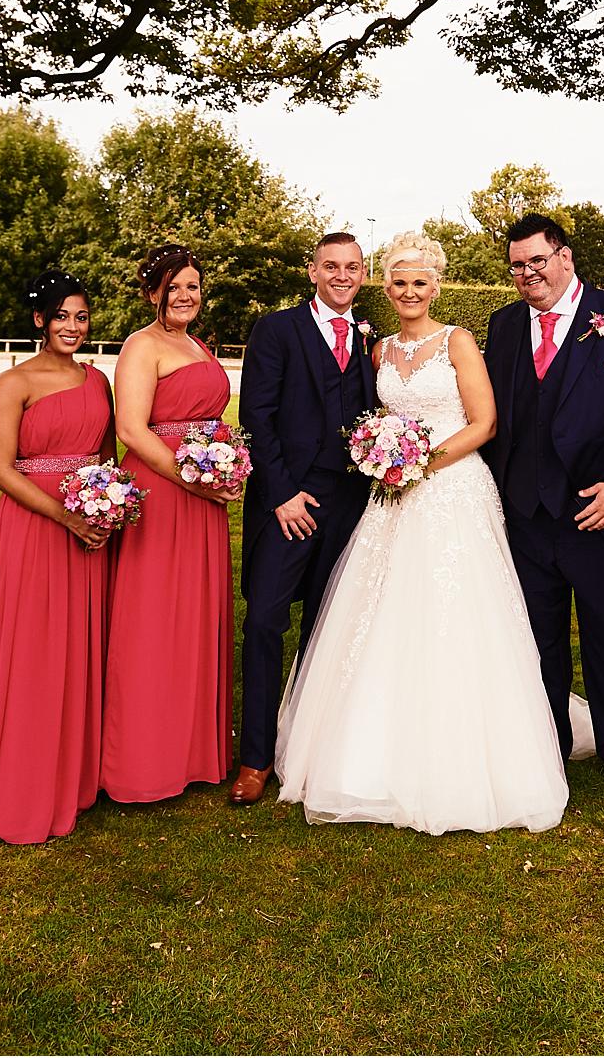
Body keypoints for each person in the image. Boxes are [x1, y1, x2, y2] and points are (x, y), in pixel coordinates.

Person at [275, 232, 593, 835]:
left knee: (459, 613)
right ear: (386, 287)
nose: (409, 292)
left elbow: (484, 422)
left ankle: (467, 755)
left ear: (436, 286)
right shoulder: (379, 351)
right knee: (385, 610)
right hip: (393, 495)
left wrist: (419, 463)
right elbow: (378, 421)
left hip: (451, 491)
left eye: (420, 282)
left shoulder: (458, 343)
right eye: (398, 282)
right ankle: (370, 749)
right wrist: (387, 460)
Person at [483, 213, 604, 804]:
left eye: (536, 260)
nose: (526, 274)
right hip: (527, 516)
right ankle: (548, 750)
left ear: (564, 257)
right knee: (537, 642)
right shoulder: (505, 325)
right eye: (516, 265)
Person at [0, 270, 116, 843]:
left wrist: (103, 508)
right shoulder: (14, 383)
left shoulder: (98, 381)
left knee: (79, 648)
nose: (73, 327)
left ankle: (74, 776)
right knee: (34, 650)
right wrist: (66, 517)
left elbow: (105, 456)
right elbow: (0, 469)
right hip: (35, 530)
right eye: (62, 317)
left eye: (81, 317)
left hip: (88, 527)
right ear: (39, 321)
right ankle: (25, 782)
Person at [233, 232, 376, 804]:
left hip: (349, 503)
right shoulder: (276, 330)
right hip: (288, 501)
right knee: (266, 621)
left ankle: (312, 748)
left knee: (327, 626)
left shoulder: (371, 338)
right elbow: (256, 417)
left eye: (353, 267)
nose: (342, 276)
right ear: (312, 271)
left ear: (362, 274)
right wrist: (283, 493)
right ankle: (255, 759)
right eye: (331, 266)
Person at [100, 245, 237, 804]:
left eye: (194, 286)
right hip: (162, 493)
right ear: (153, 291)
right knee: (153, 619)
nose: (186, 296)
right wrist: (193, 479)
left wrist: (223, 464)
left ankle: (191, 752)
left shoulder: (195, 343)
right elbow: (132, 430)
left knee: (196, 615)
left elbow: (206, 419)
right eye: (173, 286)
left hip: (203, 495)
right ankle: (142, 761)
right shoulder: (141, 345)